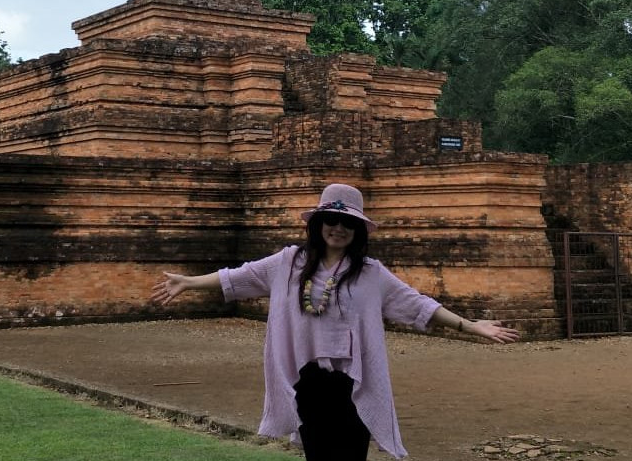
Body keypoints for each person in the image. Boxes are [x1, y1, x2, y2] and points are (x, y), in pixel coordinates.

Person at [151, 182, 520, 461]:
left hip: (351, 386)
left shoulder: (371, 274)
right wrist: (188, 282)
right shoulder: (289, 262)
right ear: (319, 223)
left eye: (347, 222)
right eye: (331, 220)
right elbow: (239, 277)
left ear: (357, 230)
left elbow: (417, 304)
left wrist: (471, 326)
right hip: (307, 383)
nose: (337, 228)